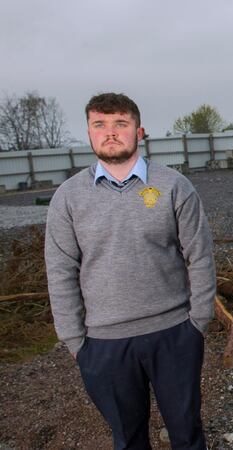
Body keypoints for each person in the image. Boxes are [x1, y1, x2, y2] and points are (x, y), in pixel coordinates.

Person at [45, 93, 216, 450]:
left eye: (120, 124)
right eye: (100, 125)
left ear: (139, 132)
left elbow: (199, 256)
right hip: (104, 344)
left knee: (187, 433)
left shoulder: (174, 186)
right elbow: (60, 270)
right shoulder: (68, 197)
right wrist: (74, 340)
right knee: (128, 438)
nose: (110, 133)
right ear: (89, 133)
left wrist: (198, 322)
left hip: (173, 334)